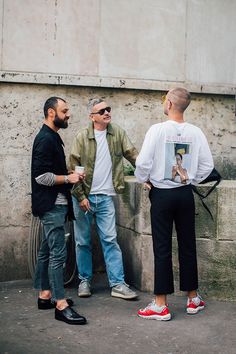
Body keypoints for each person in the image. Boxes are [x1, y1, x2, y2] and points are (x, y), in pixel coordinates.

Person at [135, 88, 214, 321]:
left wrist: (144, 179)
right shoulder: (196, 132)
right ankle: (192, 298)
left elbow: (142, 162)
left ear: (168, 103)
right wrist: (191, 178)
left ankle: (161, 305)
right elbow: (207, 166)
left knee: (162, 247)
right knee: (188, 244)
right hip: (185, 194)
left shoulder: (157, 130)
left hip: (162, 195)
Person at [69, 98, 138, 300]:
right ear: (92, 117)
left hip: (106, 197)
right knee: (83, 241)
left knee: (110, 240)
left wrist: (150, 174)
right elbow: (72, 169)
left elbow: (133, 155)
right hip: (84, 197)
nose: (107, 112)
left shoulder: (117, 132)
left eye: (109, 109)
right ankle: (84, 281)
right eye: (102, 111)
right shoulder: (82, 137)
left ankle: (118, 284)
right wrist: (81, 196)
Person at [31, 96, 87, 325]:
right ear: (51, 113)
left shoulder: (52, 137)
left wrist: (70, 176)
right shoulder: (45, 139)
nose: (69, 114)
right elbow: (41, 176)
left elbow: (50, 172)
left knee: (46, 250)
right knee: (58, 254)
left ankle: (45, 294)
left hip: (56, 204)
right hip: (52, 205)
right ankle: (60, 304)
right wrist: (68, 177)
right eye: (64, 110)